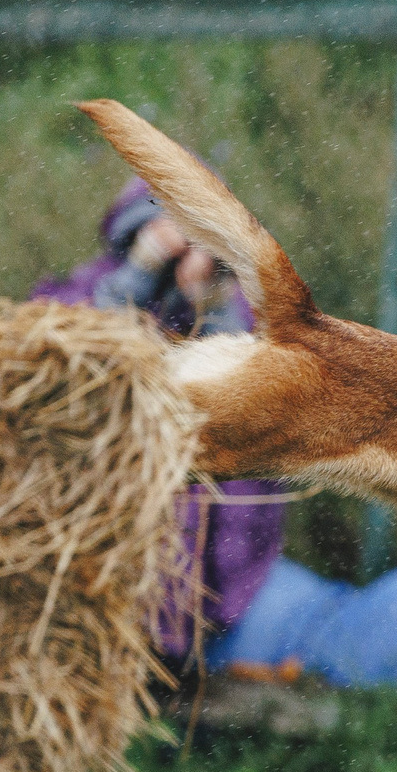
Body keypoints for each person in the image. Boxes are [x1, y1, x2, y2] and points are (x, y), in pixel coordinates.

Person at [37, 174, 287, 671]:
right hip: (105, 545)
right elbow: (52, 359)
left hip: (210, 559)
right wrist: (137, 276)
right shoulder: (90, 289)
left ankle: (186, 658)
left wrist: (210, 304)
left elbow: (251, 402)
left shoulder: (232, 311)